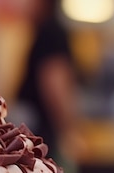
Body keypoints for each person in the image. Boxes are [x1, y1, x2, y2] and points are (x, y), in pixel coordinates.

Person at [14, 0, 81, 163]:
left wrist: (69, 131)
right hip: (37, 128)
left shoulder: (51, 32)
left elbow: (55, 84)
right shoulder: (40, 30)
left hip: (40, 131)